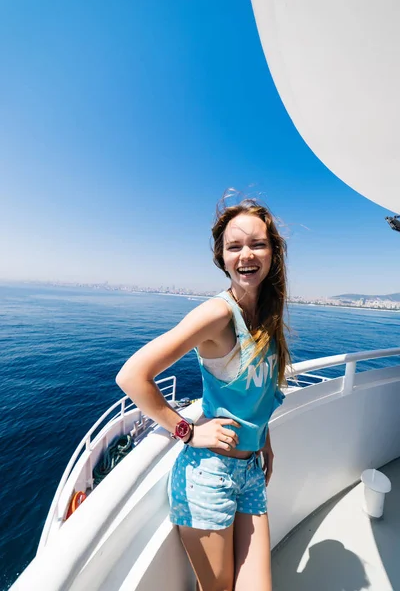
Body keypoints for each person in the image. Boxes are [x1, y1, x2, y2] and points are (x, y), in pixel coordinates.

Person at [116, 198, 292, 591]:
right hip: (208, 475)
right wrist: (189, 432)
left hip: (248, 472)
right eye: (234, 247)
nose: (246, 254)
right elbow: (132, 376)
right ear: (222, 258)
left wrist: (263, 439)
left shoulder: (267, 316)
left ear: (273, 252)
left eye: (257, 244)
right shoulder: (217, 314)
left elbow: (258, 393)